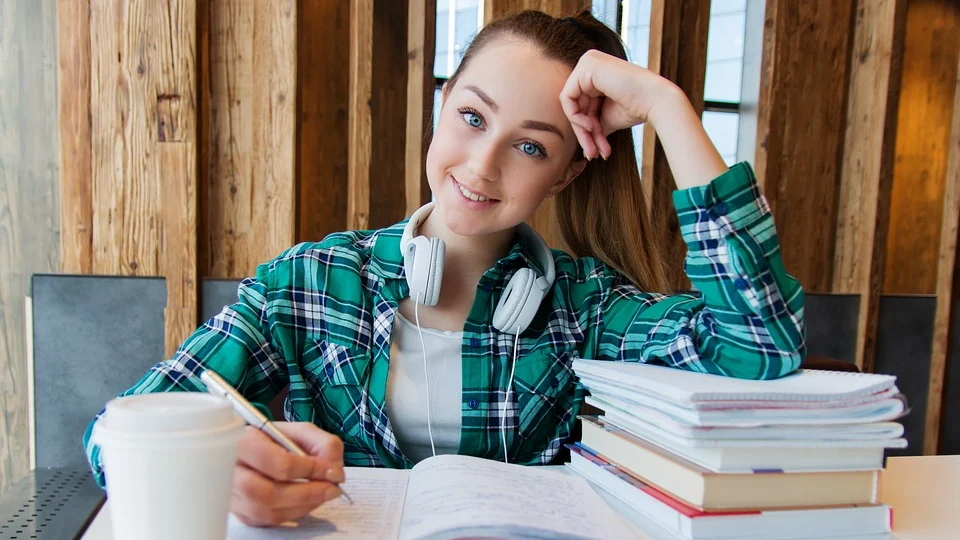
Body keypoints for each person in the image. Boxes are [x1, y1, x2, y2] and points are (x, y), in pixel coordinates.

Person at [83, 8, 805, 527]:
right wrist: (223, 465)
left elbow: (759, 344)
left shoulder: (585, 310)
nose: (482, 165)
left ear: (561, 176)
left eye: (531, 147)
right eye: (472, 117)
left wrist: (668, 107)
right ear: (441, 107)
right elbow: (113, 437)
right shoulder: (306, 285)